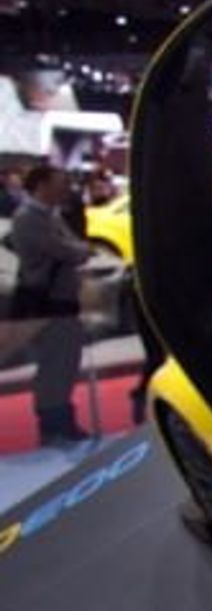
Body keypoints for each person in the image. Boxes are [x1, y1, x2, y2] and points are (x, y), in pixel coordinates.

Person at [5, 164, 93, 443]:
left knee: (66, 364)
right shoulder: (28, 218)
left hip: (63, 301)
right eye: (60, 183)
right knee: (55, 366)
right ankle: (54, 426)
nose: (66, 189)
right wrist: (79, 250)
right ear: (42, 186)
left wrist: (79, 250)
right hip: (47, 304)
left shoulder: (51, 216)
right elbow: (68, 250)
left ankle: (61, 422)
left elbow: (77, 247)